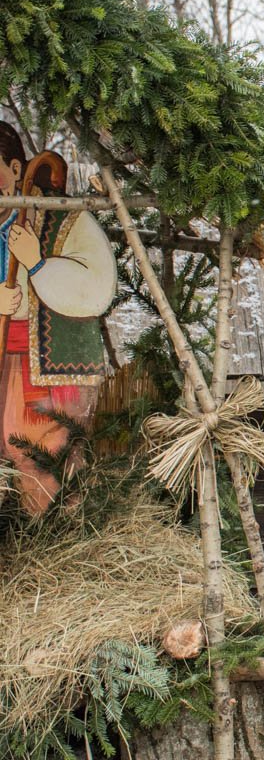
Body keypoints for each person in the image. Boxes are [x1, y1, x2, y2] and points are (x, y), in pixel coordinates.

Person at [0, 122, 117, 513]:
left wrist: (37, 264)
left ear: (17, 170)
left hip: (51, 366)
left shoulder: (62, 220)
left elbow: (96, 289)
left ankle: (53, 525)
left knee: (40, 443)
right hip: (6, 360)